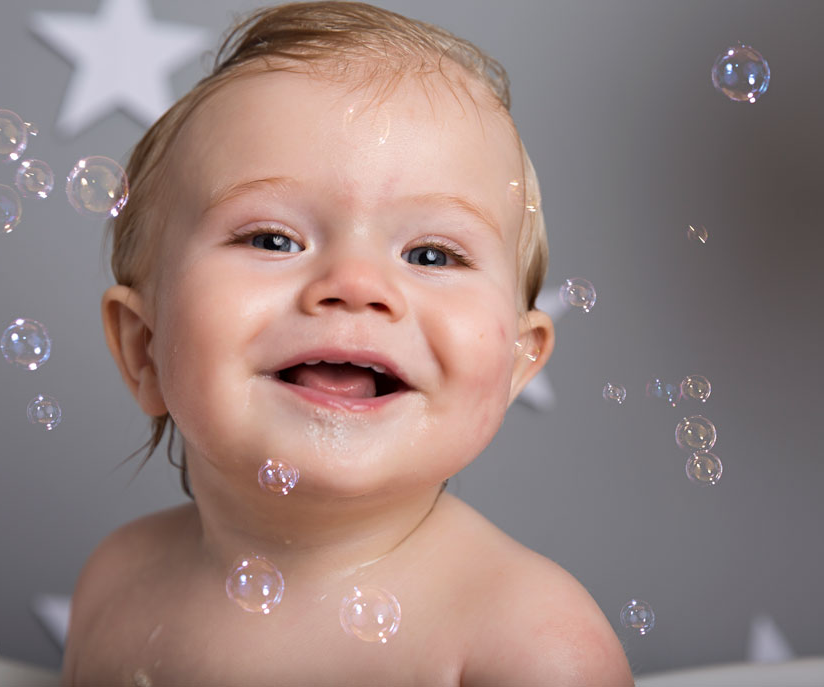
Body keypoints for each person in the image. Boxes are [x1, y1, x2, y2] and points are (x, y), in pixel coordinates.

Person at [62, 2, 633, 684]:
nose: (356, 284)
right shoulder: (118, 584)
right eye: (273, 239)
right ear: (145, 346)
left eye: (430, 254)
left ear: (517, 359)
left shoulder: (530, 644)